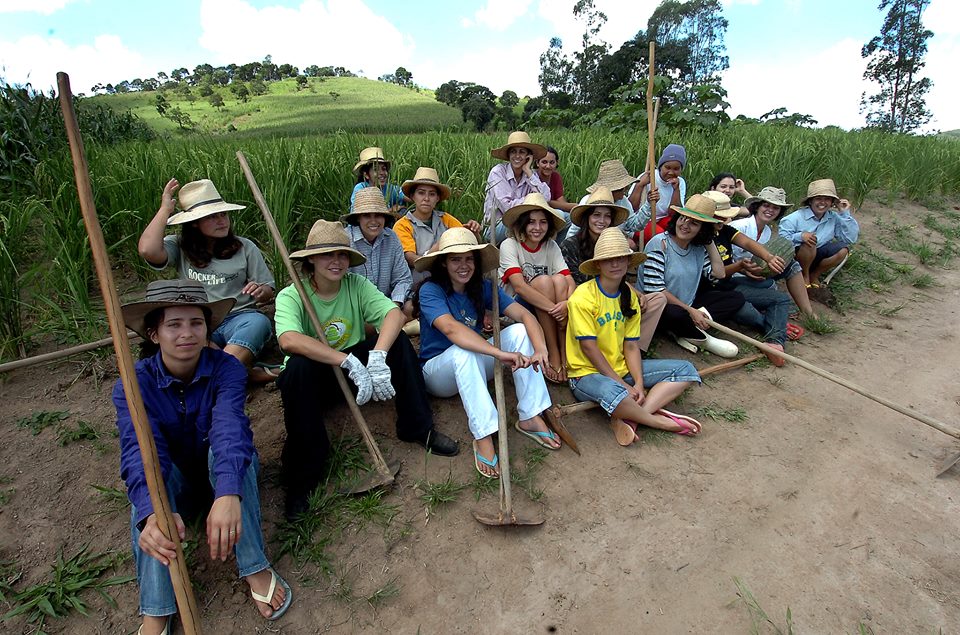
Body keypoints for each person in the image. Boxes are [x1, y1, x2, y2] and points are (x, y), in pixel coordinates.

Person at [115, 280, 292, 635]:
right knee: (148, 489)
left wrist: (226, 493)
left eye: (196, 323)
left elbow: (229, 429)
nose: (187, 333)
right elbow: (140, 450)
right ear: (154, 334)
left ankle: (254, 565)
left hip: (220, 470)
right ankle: (156, 610)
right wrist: (152, 512)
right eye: (174, 325)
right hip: (177, 478)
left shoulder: (226, 368)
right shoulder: (133, 384)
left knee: (232, 456)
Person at [274, 220, 458, 518]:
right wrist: (342, 360)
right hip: (316, 377)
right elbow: (289, 339)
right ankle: (303, 477)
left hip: (357, 368)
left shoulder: (355, 285)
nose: (336, 262)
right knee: (297, 369)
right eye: (327, 255)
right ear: (310, 259)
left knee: (397, 340)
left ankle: (417, 427)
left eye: (342, 255)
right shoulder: (292, 295)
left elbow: (393, 314)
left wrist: (377, 356)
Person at [414, 227, 558, 478]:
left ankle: (531, 415)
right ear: (443, 263)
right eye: (456, 259)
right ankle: (483, 434)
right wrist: (498, 354)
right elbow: (451, 329)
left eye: (469, 258)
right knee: (463, 351)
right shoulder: (431, 290)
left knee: (520, 332)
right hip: (438, 372)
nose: (463, 265)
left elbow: (524, 314)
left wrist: (540, 349)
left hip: (475, 361)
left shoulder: (483, 287)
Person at [567, 228, 703, 446]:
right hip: (586, 374)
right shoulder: (583, 297)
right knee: (613, 391)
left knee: (685, 370)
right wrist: (622, 384)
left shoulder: (629, 296)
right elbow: (589, 348)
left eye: (621, 258)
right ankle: (659, 422)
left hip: (622, 370)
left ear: (628, 261)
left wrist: (638, 384)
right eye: (609, 259)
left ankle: (631, 417)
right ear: (598, 264)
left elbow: (631, 347)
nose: (616, 264)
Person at [138, 178, 277, 384]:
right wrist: (165, 210)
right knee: (179, 335)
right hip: (197, 319)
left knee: (258, 322)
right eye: (212, 217)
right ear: (194, 222)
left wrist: (260, 291)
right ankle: (244, 374)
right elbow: (147, 250)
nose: (222, 221)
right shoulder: (179, 246)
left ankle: (221, 374)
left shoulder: (245, 247)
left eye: (223, 214)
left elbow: (267, 290)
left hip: (239, 318)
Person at [560, 187, 667, 353]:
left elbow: (618, 279)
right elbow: (579, 287)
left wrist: (636, 293)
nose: (601, 220)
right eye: (596, 215)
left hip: (615, 297)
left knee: (657, 299)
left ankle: (633, 349)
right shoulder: (570, 245)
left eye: (607, 216)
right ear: (587, 218)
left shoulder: (617, 244)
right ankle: (609, 348)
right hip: (589, 304)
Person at [640, 194, 743, 358]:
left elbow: (718, 274)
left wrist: (709, 242)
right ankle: (694, 331)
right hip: (659, 306)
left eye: (694, 223)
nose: (685, 225)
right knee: (675, 313)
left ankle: (686, 329)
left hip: (688, 304)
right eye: (683, 218)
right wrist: (691, 311)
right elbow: (656, 290)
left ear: (702, 230)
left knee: (735, 298)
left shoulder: (698, 248)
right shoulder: (659, 244)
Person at [701, 189, 796, 366]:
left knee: (780, 299)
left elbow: (747, 243)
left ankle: (775, 341)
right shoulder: (699, 237)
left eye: (725, 216)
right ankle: (774, 326)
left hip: (730, 284)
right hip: (712, 291)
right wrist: (740, 266)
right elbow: (714, 274)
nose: (723, 220)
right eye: (719, 216)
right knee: (747, 312)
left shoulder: (725, 230)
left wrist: (768, 257)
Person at [499, 193, 575, 384]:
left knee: (558, 280)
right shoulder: (510, 245)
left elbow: (569, 280)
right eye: (532, 222)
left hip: (551, 307)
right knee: (543, 282)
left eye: (543, 222)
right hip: (519, 307)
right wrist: (555, 309)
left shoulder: (551, 246)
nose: (537, 228)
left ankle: (565, 351)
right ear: (523, 223)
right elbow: (519, 286)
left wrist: (567, 304)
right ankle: (554, 353)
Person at [342, 187, 412, 320]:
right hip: (355, 308)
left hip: (387, 305)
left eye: (378, 215)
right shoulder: (345, 240)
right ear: (358, 218)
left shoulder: (391, 237)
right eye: (367, 215)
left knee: (411, 307)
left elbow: (403, 278)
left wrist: (394, 305)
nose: (373, 221)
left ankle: (389, 325)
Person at [394, 166, 482, 269]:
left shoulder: (446, 219)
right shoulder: (402, 225)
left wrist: (474, 233)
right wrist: (436, 250)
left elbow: (469, 243)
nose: (426, 199)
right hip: (420, 279)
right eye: (421, 193)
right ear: (413, 196)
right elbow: (412, 260)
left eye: (432, 194)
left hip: (449, 275)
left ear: (437, 198)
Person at [779, 178, 859, 287]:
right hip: (796, 257)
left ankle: (814, 275)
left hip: (818, 254)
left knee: (843, 250)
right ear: (810, 201)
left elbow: (850, 239)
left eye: (827, 199)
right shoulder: (794, 218)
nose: (822, 202)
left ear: (831, 202)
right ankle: (804, 275)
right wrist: (800, 236)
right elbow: (781, 241)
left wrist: (844, 214)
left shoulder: (833, 217)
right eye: (818, 198)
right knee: (810, 243)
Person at [483, 131, 553, 244]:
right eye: (513, 152)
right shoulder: (498, 172)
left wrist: (528, 171)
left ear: (528, 156)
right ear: (508, 155)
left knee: (564, 217)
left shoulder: (531, 174)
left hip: (526, 221)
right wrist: (531, 203)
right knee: (526, 224)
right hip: (498, 226)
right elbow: (508, 208)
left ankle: (549, 252)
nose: (517, 156)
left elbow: (545, 199)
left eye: (522, 152)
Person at [624, 144, 688, 243]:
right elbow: (631, 208)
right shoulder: (649, 177)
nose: (671, 172)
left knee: (680, 231)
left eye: (676, 169)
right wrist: (640, 185)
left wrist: (676, 190)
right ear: (660, 166)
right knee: (661, 238)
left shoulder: (680, 182)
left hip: (663, 219)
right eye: (667, 167)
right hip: (642, 221)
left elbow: (674, 214)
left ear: (681, 170)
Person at [350, 147, 405, 212]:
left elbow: (409, 195)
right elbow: (365, 214)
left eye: (383, 169)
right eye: (376, 169)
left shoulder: (389, 189)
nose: (382, 173)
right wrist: (391, 210)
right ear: (366, 175)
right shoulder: (361, 188)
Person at [537, 146, 577, 214]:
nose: (548, 166)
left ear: (557, 162)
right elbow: (543, 201)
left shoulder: (555, 176)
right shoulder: (533, 177)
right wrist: (576, 206)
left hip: (554, 210)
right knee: (560, 214)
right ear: (537, 163)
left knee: (571, 217)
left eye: (552, 162)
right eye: (544, 162)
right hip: (539, 211)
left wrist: (577, 207)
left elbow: (561, 201)